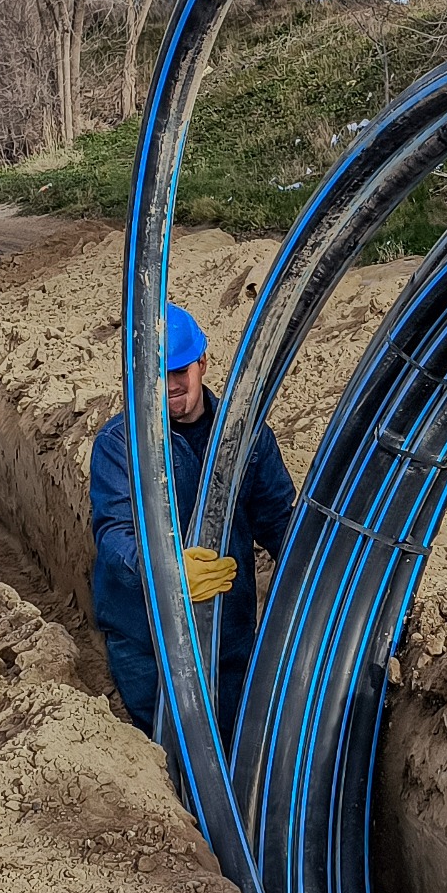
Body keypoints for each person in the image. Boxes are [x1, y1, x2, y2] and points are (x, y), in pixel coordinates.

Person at [88, 303, 297, 741]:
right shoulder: (119, 445)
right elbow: (115, 535)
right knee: (169, 754)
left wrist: (325, 578)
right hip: (146, 637)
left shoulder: (246, 435)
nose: (170, 385)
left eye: (180, 370)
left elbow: (278, 520)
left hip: (227, 631)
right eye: (156, 375)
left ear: (203, 362)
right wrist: (168, 571)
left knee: (229, 748)